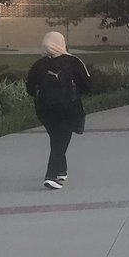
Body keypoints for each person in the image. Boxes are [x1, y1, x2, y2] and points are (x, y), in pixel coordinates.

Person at [25, 31, 91, 189]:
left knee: (57, 138)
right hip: (69, 108)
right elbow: (88, 85)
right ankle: (51, 175)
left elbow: (30, 88)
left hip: (44, 110)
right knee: (60, 141)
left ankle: (61, 170)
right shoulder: (73, 62)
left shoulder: (38, 64)